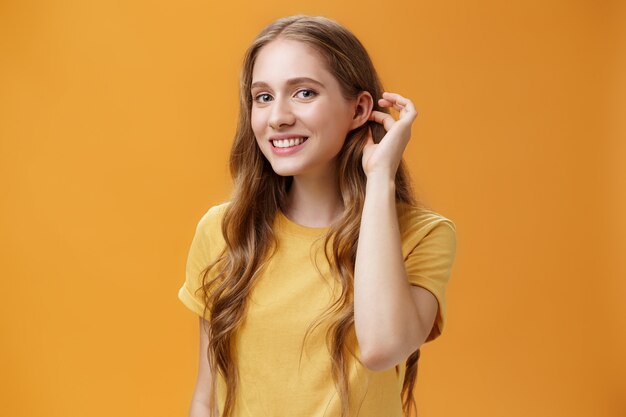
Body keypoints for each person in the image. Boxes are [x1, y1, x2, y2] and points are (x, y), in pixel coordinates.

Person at [177, 14, 457, 417]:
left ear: (360, 109)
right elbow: (206, 397)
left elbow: (381, 347)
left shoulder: (422, 235)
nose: (278, 117)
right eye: (263, 97)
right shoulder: (224, 231)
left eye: (304, 93)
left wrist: (380, 178)